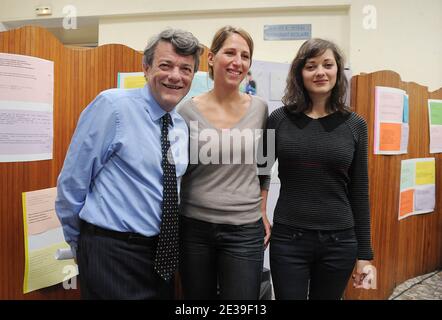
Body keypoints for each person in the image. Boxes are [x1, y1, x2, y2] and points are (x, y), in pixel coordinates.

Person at [55, 28, 202, 299]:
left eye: (186, 69)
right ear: (145, 68)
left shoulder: (180, 125)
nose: (175, 76)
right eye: (165, 65)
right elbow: (72, 183)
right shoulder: (112, 106)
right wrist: (81, 243)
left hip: (160, 258)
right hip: (111, 253)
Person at [262, 38, 375, 299]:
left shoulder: (356, 124)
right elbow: (261, 169)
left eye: (327, 64)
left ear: (338, 70)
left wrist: (364, 255)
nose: (320, 72)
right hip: (288, 239)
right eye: (311, 66)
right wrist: (261, 213)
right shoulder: (278, 119)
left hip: (340, 242)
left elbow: (360, 190)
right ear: (300, 73)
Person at [177, 26, 271, 299]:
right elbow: (176, 171)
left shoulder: (261, 109)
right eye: (230, 52)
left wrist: (263, 209)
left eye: (245, 56)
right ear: (210, 58)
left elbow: (265, 165)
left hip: (244, 230)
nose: (237, 62)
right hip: (194, 228)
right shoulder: (185, 110)